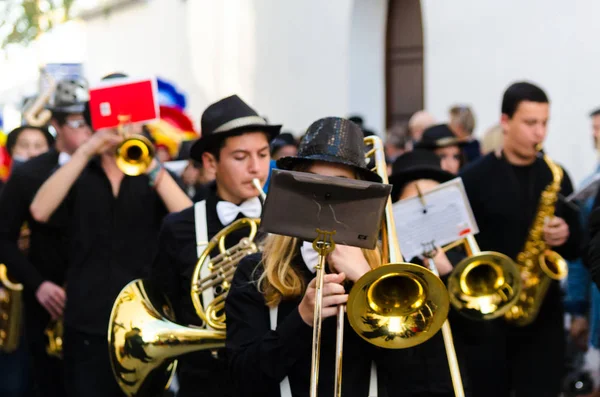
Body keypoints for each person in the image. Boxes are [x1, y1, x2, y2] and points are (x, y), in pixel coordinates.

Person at [29, 97, 192, 396]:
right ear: (94, 127)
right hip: (85, 319)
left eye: (132, 121)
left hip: (145, 323)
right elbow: (39, 211)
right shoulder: (79, 174)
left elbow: (189, 219)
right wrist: (88, 148)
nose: (123, 129)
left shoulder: (153, 176)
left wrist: (150, 162)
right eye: (114, 122)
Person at [226, 117, 391, 397]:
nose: (330, 197)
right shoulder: (255, 271)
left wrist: (369, 283)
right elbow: (242, 377)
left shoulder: (390, 273)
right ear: (298, 190)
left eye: (343, 184)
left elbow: (416, 373)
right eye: (317, 183)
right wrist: (301, 318)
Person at [151, 94, 280, 397]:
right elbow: (164, 304)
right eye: (240, 157)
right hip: (205, 380)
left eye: (263, 154)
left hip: (272, 377)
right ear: (210, 162)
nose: (255, 168)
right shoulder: (178, 227)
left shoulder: (287, 220)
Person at [460, 81, 582, 397]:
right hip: (488, 321)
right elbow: (461, 248)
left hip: (543, 317)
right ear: (505, 122)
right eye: (530, 123)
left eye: (544, 123)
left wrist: (566, 235)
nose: (539, 133)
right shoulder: (473, 178)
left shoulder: (555, 175)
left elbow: (577, 246)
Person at [0, 78, 91, 397]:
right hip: (47, 304)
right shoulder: (27, 174)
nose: (87, 132)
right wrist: (38, 285)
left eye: (90, 121)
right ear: (55, 124)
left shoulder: (110, 168)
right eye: (78, 123)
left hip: (98, 304)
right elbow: (3, 239)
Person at [382, 149, 476, 397]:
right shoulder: (385, 259)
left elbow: (480, 328)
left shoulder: (459, 256)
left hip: (451, 379)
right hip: (400, 383)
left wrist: (448, 271)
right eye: (413, 203)